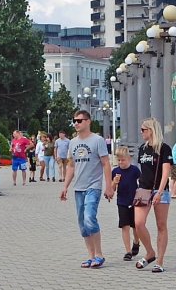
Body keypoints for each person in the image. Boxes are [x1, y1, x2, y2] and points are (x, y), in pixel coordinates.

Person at [59, 109, 113, 269]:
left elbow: (106, 163)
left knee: (90, 218)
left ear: (88, 121)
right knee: (82, 223)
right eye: (74, 120)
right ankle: (90, 256)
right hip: (79, 188)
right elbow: (71, 166)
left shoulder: (98, 140)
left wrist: (108, 186)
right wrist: (65, 186)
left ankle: (99, 254)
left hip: (93, 186)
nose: (76, 123)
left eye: (79, 120)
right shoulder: (73, 142)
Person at [134, 117, 173, 273]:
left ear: (151, 130)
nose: (141, 132)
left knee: (161, 225)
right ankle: (150, 251)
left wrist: (160, 191)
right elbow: (142, 170)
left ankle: (160, 261)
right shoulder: (142, 148)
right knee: (138, 223)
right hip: (143, 189)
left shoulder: (164, 148)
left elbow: (166, 172)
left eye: (143, 129)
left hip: (159, 190)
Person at [111, 145, 142, 261]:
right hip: (122, 201)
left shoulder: (134, 170)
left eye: (122, 160)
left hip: (134, 201)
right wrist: (114, 182)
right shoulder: (115, 171)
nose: (120, 162)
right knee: (125, 226)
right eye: (118, 160)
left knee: (136, 226)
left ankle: (136, 241)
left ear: (128, 158)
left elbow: (141, 182)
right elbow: (112, 188)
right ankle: (128, 251)